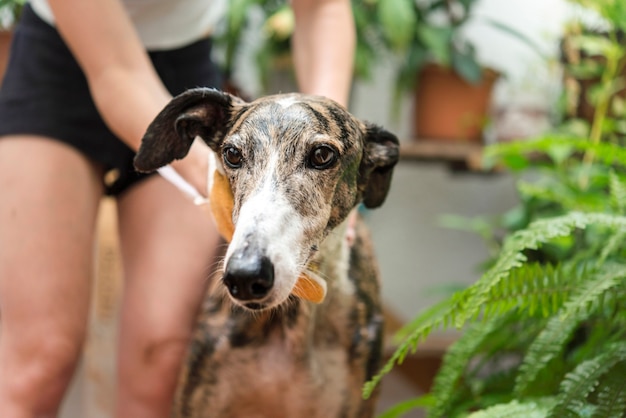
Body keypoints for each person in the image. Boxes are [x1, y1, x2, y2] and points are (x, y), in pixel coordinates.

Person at [0, 0, 356, 416]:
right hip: (59, 68)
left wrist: (328, 142)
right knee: (39, 360)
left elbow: (322, 7)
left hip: (184, 67)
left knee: (161, 356)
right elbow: (117, 73)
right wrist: (216, 180)